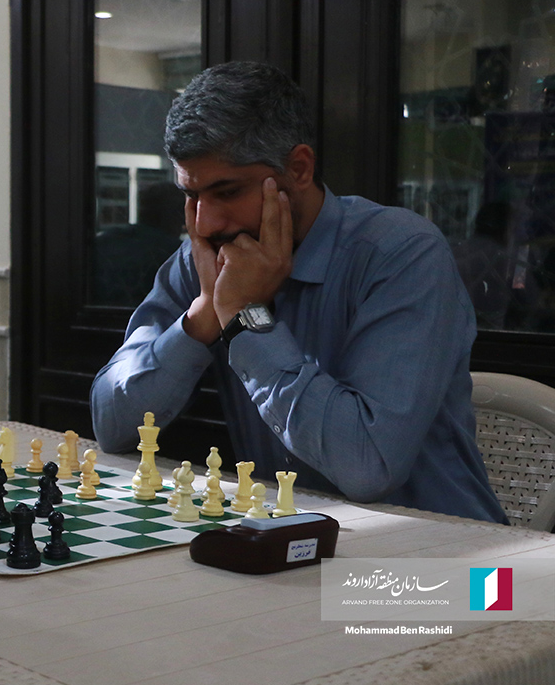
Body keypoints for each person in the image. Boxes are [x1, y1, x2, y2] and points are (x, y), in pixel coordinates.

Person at [90, 61, 505, 524]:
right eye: (191, 196)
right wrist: (203, 315)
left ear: (299, 168)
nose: (204, 223)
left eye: (227, 192)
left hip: (444, 547)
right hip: (291, 536)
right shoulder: (203, 260)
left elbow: (368, 466)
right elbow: (111, 424)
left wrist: (244, 317)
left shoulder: (400, 253)